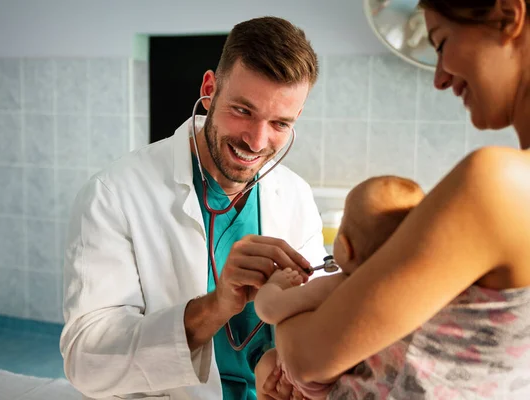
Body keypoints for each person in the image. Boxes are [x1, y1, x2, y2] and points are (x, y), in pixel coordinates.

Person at [263, 0, 530, 397]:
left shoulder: (497, 184)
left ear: (509, 17)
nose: (439, 78)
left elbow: (305, 359)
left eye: (440, 43)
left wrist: (283, 305)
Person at [60, 16, 328, 400]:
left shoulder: (294, 194)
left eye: (279, 123)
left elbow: (310, 318)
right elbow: (86, 363)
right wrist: (215, 306)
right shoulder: (114, 194)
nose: (257, 141)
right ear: (209, 89)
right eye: (243, 111)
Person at [253, 176, 425, 400]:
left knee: (268, 364)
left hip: (322, 385)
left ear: (344, 248)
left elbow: (269, 309)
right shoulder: (419, 296)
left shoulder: (338, 286)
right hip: (374, 388)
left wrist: (276, 284)